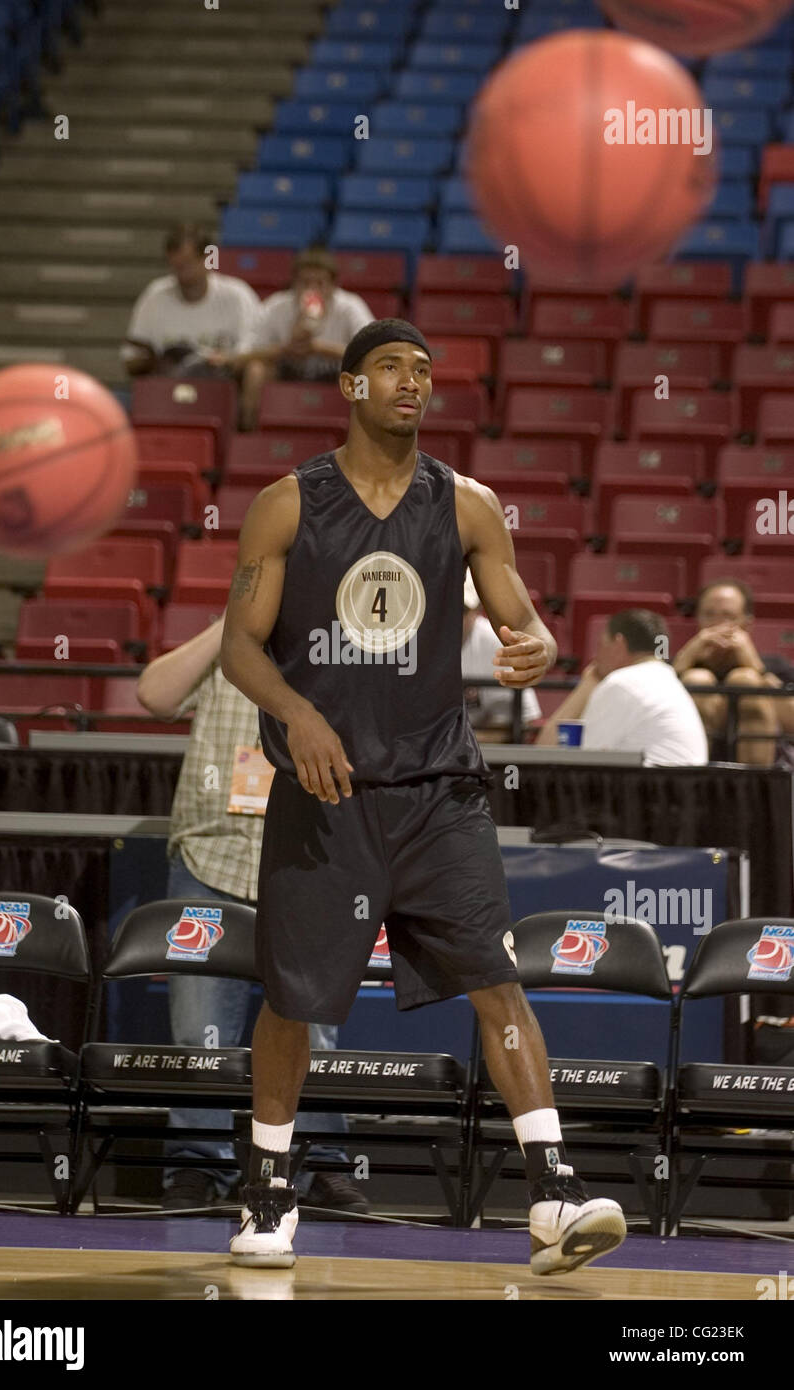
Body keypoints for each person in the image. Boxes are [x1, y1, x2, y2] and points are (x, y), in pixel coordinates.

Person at [219, 317, 627, 1272]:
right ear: (351, 387)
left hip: (440, 787)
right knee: (294, 995)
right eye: (392, 368)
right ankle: (267, 1195)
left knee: (497, 978)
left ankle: (553, 1197)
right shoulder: (288, 505)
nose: (413, 383)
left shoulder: (468, 504)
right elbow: (240, 646)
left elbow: (525, 623)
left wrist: (542, 647)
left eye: (425, 371)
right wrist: (297, 713)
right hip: (327, 788)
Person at [136, 612, 366, 1215]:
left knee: (314, 1031)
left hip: (309, 861)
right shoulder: (229, 646)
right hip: (210, 860)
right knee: (198, 1036)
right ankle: (195, 1168)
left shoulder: (337, 649)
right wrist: (230, 624)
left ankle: (319, 1166)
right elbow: (153, 695)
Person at [537, 610, 708, 767]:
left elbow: (555, 756)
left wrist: (587, 685)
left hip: (656, 792)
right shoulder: (664, 679)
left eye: (600, 645)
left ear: (618, 643)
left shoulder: (622, 683)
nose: (596, 657)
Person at [239, 246, 373, 429]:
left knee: (363, 375)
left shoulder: (350, 307)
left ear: (333, 285)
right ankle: (250, 435)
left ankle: (362, 437)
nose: (312, 289)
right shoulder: (277, 305)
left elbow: (372, 352)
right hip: (287, 372)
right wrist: (285, 348)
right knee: (255, 371)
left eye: (320, 283)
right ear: (294, 283)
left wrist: (319, 348)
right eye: (305, 282)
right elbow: (246, 353)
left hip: (335, 375)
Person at [673, 579, 794, 767]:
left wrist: (756, 668)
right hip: (692, 771)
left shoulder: (774, 665)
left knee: (744, 679)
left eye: (728, 616)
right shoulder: (678, 665)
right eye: (709, 615)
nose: (718, 624)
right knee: (697, 679)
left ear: (748, 624)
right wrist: (684, 660)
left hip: (769, 766)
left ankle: (756, 787)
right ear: (697, 619)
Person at [121, 222, 260, 382]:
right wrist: (152, 362)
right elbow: (130, 359)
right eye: (176, 267)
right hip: (167, 390)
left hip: (222, 389)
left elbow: (254, 353)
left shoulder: (237, 296)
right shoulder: (154, 296)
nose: (182, 275)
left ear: (208, 259)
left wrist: (226, 361)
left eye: (188, 265)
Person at [462, 573, 541, 739]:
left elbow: (523, 719)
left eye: (462, 610)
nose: (453, 616)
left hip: (481, 751)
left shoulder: (496, 641)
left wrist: (468, 746)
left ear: (477, 611)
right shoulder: (412, 639)